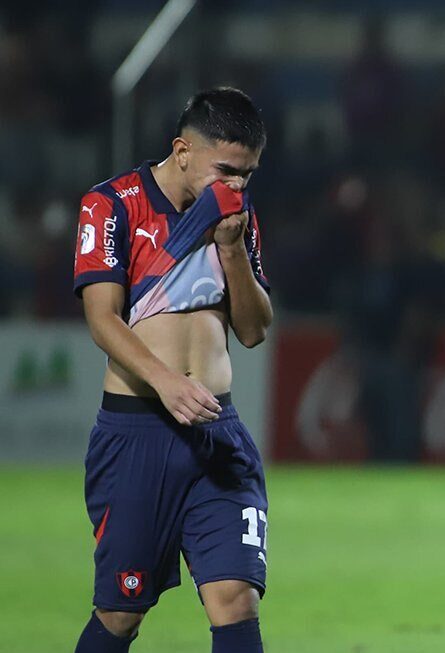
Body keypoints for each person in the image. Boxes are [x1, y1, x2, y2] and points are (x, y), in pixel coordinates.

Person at [72, 87, 273, 653]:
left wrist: (232, 253)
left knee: (236, 597)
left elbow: (254, 330)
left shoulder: (238, 217)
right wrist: (166, 382)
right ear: (183, 151)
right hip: (139, 433)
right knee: (121, 611)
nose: (237, 186)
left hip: (216, 433)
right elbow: (103, 320)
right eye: (227, 170)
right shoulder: (111, 204)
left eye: (249, 174)